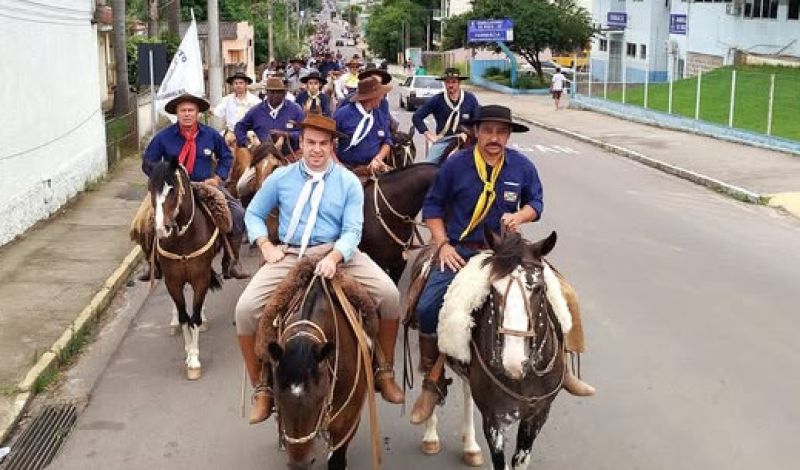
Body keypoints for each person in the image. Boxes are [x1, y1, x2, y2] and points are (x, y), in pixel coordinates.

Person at [409, 105, 595, 424]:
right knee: (428, 306)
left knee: (564, 295)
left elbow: (536, 202)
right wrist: (442, 244)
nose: (494, 138)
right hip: (463, 251)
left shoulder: (522, 166)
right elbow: (433, 207)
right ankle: (432, 379)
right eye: (488, 131)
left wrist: (520, 216)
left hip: (508, 252)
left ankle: (563, 368)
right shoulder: (456, 165)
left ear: (508, 135)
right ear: (476, 132)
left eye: (501, 132)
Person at [236, 114, 406, 424]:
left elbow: (353, 230)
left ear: (332, 146)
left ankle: (384, 371)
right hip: (291, 254)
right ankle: (262, 388)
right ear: (300, 143)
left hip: (336, 252)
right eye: (311, 142)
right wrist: (265, 245)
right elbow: (254, 213)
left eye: (323, 143)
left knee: (390, 295)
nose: (316, 149)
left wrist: (335, 256)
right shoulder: (281, 177)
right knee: (245, 310)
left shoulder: (348, 181)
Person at [138, 94, 250, 280]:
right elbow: (148, 162)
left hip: (204, 185)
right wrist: (162, 176)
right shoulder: (163, 137)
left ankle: (231, 262)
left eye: (191, 110)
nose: (187, 114)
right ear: (177, 113)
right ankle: (152, 263)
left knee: (237, 213)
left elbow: (226, 157)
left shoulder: (211, 135)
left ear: (198, 113)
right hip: (172, 190)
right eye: (183, 110)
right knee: (143, 221)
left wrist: (218, 178)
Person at [412, 67, 480, 163]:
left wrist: (470, 133)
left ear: (459, 83)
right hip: (444, 140)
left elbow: (477, 120)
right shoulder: (437, 100)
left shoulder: (470, 98)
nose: (450, 85)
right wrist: (428, 134)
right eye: (448, 82)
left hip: (466, 138)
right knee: (429, 164)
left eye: (454, 82)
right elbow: (417, 117)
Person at [333, 76, 393, 172]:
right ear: (372, 98)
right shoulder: (343, 114)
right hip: (347, 169)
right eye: (380, 95)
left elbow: (387, 141)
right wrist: (337, 165)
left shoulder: (379, 115)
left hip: (373, 169)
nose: (382, 98)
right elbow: (327, 140)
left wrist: (378, 158)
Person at [235, 77, 305, 154]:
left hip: (290, 155)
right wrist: (246, 143)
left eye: (278, 92)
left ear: (284, 93)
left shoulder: (295, 109)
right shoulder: (256, 111)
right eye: (271, 92)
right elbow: (239, 127)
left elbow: (304, 132)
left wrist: (286, 135)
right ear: (266, 93)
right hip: (263, 155)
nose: (275, 95)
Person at [212, 72, 261, 150]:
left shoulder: (255, 101)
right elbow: (217, 112)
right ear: (232, 85)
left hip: (249, 133)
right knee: (216, 146)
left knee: (259, 148)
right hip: (231, 133)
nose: (238, 85)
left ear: (246, 84)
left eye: (241, 83)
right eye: (236, 83)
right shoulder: (227, 100)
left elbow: (260, 118)